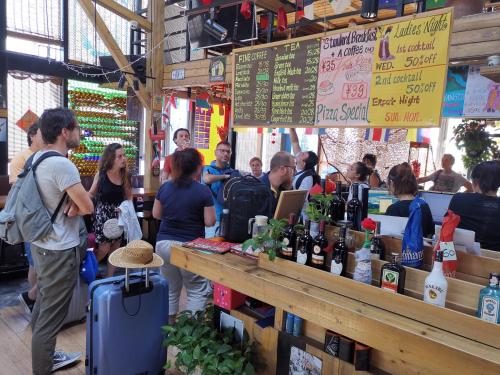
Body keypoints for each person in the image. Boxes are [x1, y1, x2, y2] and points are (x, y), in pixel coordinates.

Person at [30, 108, 94, 374]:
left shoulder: (36, 159)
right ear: (64, 132)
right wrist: (78, 205)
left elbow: (62, 201)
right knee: (50, 320)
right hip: (59, 250)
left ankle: (44, 355)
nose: (80, 133)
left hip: (43, 245)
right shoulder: (61, 163)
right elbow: (88, 206)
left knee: (44, 307)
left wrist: (74, 204)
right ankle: (43, 366)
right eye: (77, 128)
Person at [153, 148, 216, 323]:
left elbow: (157, 214)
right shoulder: (203, 191)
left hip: (164, 244)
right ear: (198, 168)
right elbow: (210, 221)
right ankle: (190, 334)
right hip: (189, 246)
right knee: (196, 289)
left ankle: (169, 329)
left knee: (171, 288)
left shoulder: (165, 187)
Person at [12, 122, 44, 314]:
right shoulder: (21, 158)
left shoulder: (44, 156)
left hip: (44, 216)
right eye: (42, 132)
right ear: (32, 135)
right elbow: (19, 190)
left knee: (37, 261)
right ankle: (33, 299)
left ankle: (35, 300)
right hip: (31, 216)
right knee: (35, 261)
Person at [89, 143, 132, 278]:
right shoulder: (101, 175)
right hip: (102, 214)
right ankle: (88, 270)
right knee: (104, 248)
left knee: (115, 248)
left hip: (118, 214)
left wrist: (125, 209)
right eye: (119, 156)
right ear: (111, 159)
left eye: (124, 155)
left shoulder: (125, 175)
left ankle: (109, 278)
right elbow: (91, 194)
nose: (123, 158)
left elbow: (129, 197)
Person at [448, 160, 500, 251]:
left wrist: (447, 261)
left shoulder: (459, 199)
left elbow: (445, 234)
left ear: (474, 182)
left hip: (458, 260)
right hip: (494, 263)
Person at [385, 163, 435, 238]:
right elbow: (430, 235)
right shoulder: (424, 205)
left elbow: (387, 238)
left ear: (392, 183)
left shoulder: (394, 209)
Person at [202, 141, 237, 237]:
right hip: (213, 218)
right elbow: (207, 179)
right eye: (222, 151)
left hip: (229, 218)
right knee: (210, 248)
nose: (225, 154)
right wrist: (225, 176)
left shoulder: (233, 171)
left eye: (228, 152)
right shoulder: (208, 169)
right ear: (215, 152)